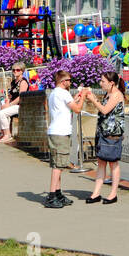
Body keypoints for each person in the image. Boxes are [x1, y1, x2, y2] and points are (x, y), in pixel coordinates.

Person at [45, 70, 88, 208]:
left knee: (59, 163)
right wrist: (83, 97)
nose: (70, 82)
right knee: (58, 166)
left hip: (55, 131)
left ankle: (57, 193)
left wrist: (75, 98)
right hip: (60, 132)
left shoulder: (54, 93)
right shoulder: (63, 93)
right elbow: (77, 109)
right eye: (69, 80)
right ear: (63, 82)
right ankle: (52, 196)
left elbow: (65, 106)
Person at [84, 71, 126, 204]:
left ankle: (113, 193)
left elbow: (105, 110)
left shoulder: (116, 95)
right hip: (103, 132)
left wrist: (93, 99)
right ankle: (96, 193)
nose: (101, 83)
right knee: (101, 162)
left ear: (111, 83)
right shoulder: (108, 93)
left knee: (113, 163)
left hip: (113, 134)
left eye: (103, 81)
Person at [0, 61, 30, 143]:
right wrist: (5, 103)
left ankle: (7, 135)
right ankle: (2, 133)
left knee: (1, 114)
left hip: (20, 105)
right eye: (13, 70)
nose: (15, 72)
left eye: (17, 70)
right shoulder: (13, 82)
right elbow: (10, 95)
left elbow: (21, 97)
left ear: (22, 71)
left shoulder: (23, 82)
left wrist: (9, 105)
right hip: (12, 104)